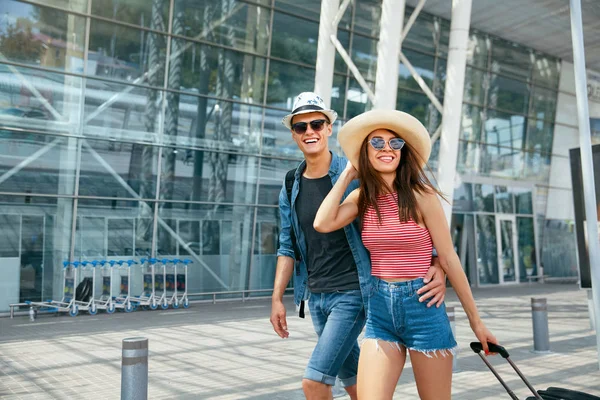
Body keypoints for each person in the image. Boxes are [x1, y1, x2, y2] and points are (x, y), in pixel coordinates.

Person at [270, 93, 448, 400]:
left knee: (314, 382)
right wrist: (276, 298)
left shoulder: (354, 174)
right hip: (316, 296)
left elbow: (402, 216)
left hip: (355, 293)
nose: (309, 131)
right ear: (294, 134)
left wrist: (436, 262)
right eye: (301, 127)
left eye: (316, 124)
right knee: (355, 384)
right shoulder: (291, 183)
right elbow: (288, 244)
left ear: (329, 128)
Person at [313, 109, 498, 400]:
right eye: (376, 143)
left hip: (423, 306)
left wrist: (476, 322)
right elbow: (322, 223)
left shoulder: (423, 196)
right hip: (380, 309)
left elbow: (449, 258)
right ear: (365, 152)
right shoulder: (362, 198)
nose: (387, 148)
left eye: (395, 143)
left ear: (403, 152)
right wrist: (349, 172)